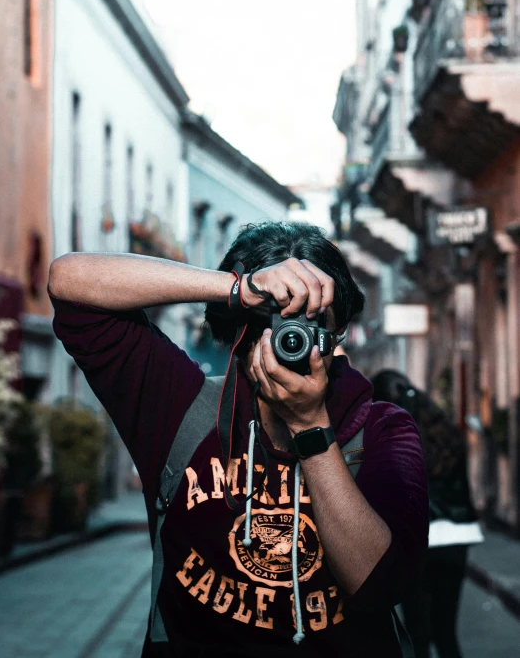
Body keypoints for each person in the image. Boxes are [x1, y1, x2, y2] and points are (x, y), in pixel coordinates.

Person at [48, 222, 428, 657]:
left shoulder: (381, 429)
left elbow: (378, 586)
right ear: (238, 329)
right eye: (273, 319)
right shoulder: (182, 407)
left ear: (336, 333)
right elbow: (67, 282)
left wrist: (311, 429)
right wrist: (238, 289)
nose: (292, 340)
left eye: (311, 323)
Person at [371, 369, 484, 658]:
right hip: (457, 538)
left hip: (418, 542)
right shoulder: (446, 430)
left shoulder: (396, 436)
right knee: (446, 633)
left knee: (418, 636)